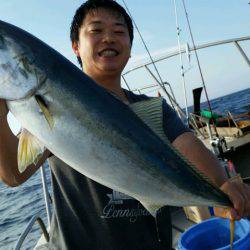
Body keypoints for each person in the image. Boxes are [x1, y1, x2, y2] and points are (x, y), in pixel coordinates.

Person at [0, 0, 250, 249]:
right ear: (76, 46)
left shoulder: (153, 109)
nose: (108, 37)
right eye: (96, 30)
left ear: (130, 48)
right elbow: (14, 174)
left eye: (119, 32)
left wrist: (221, 185)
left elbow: (187, 144)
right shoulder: (45, 107)